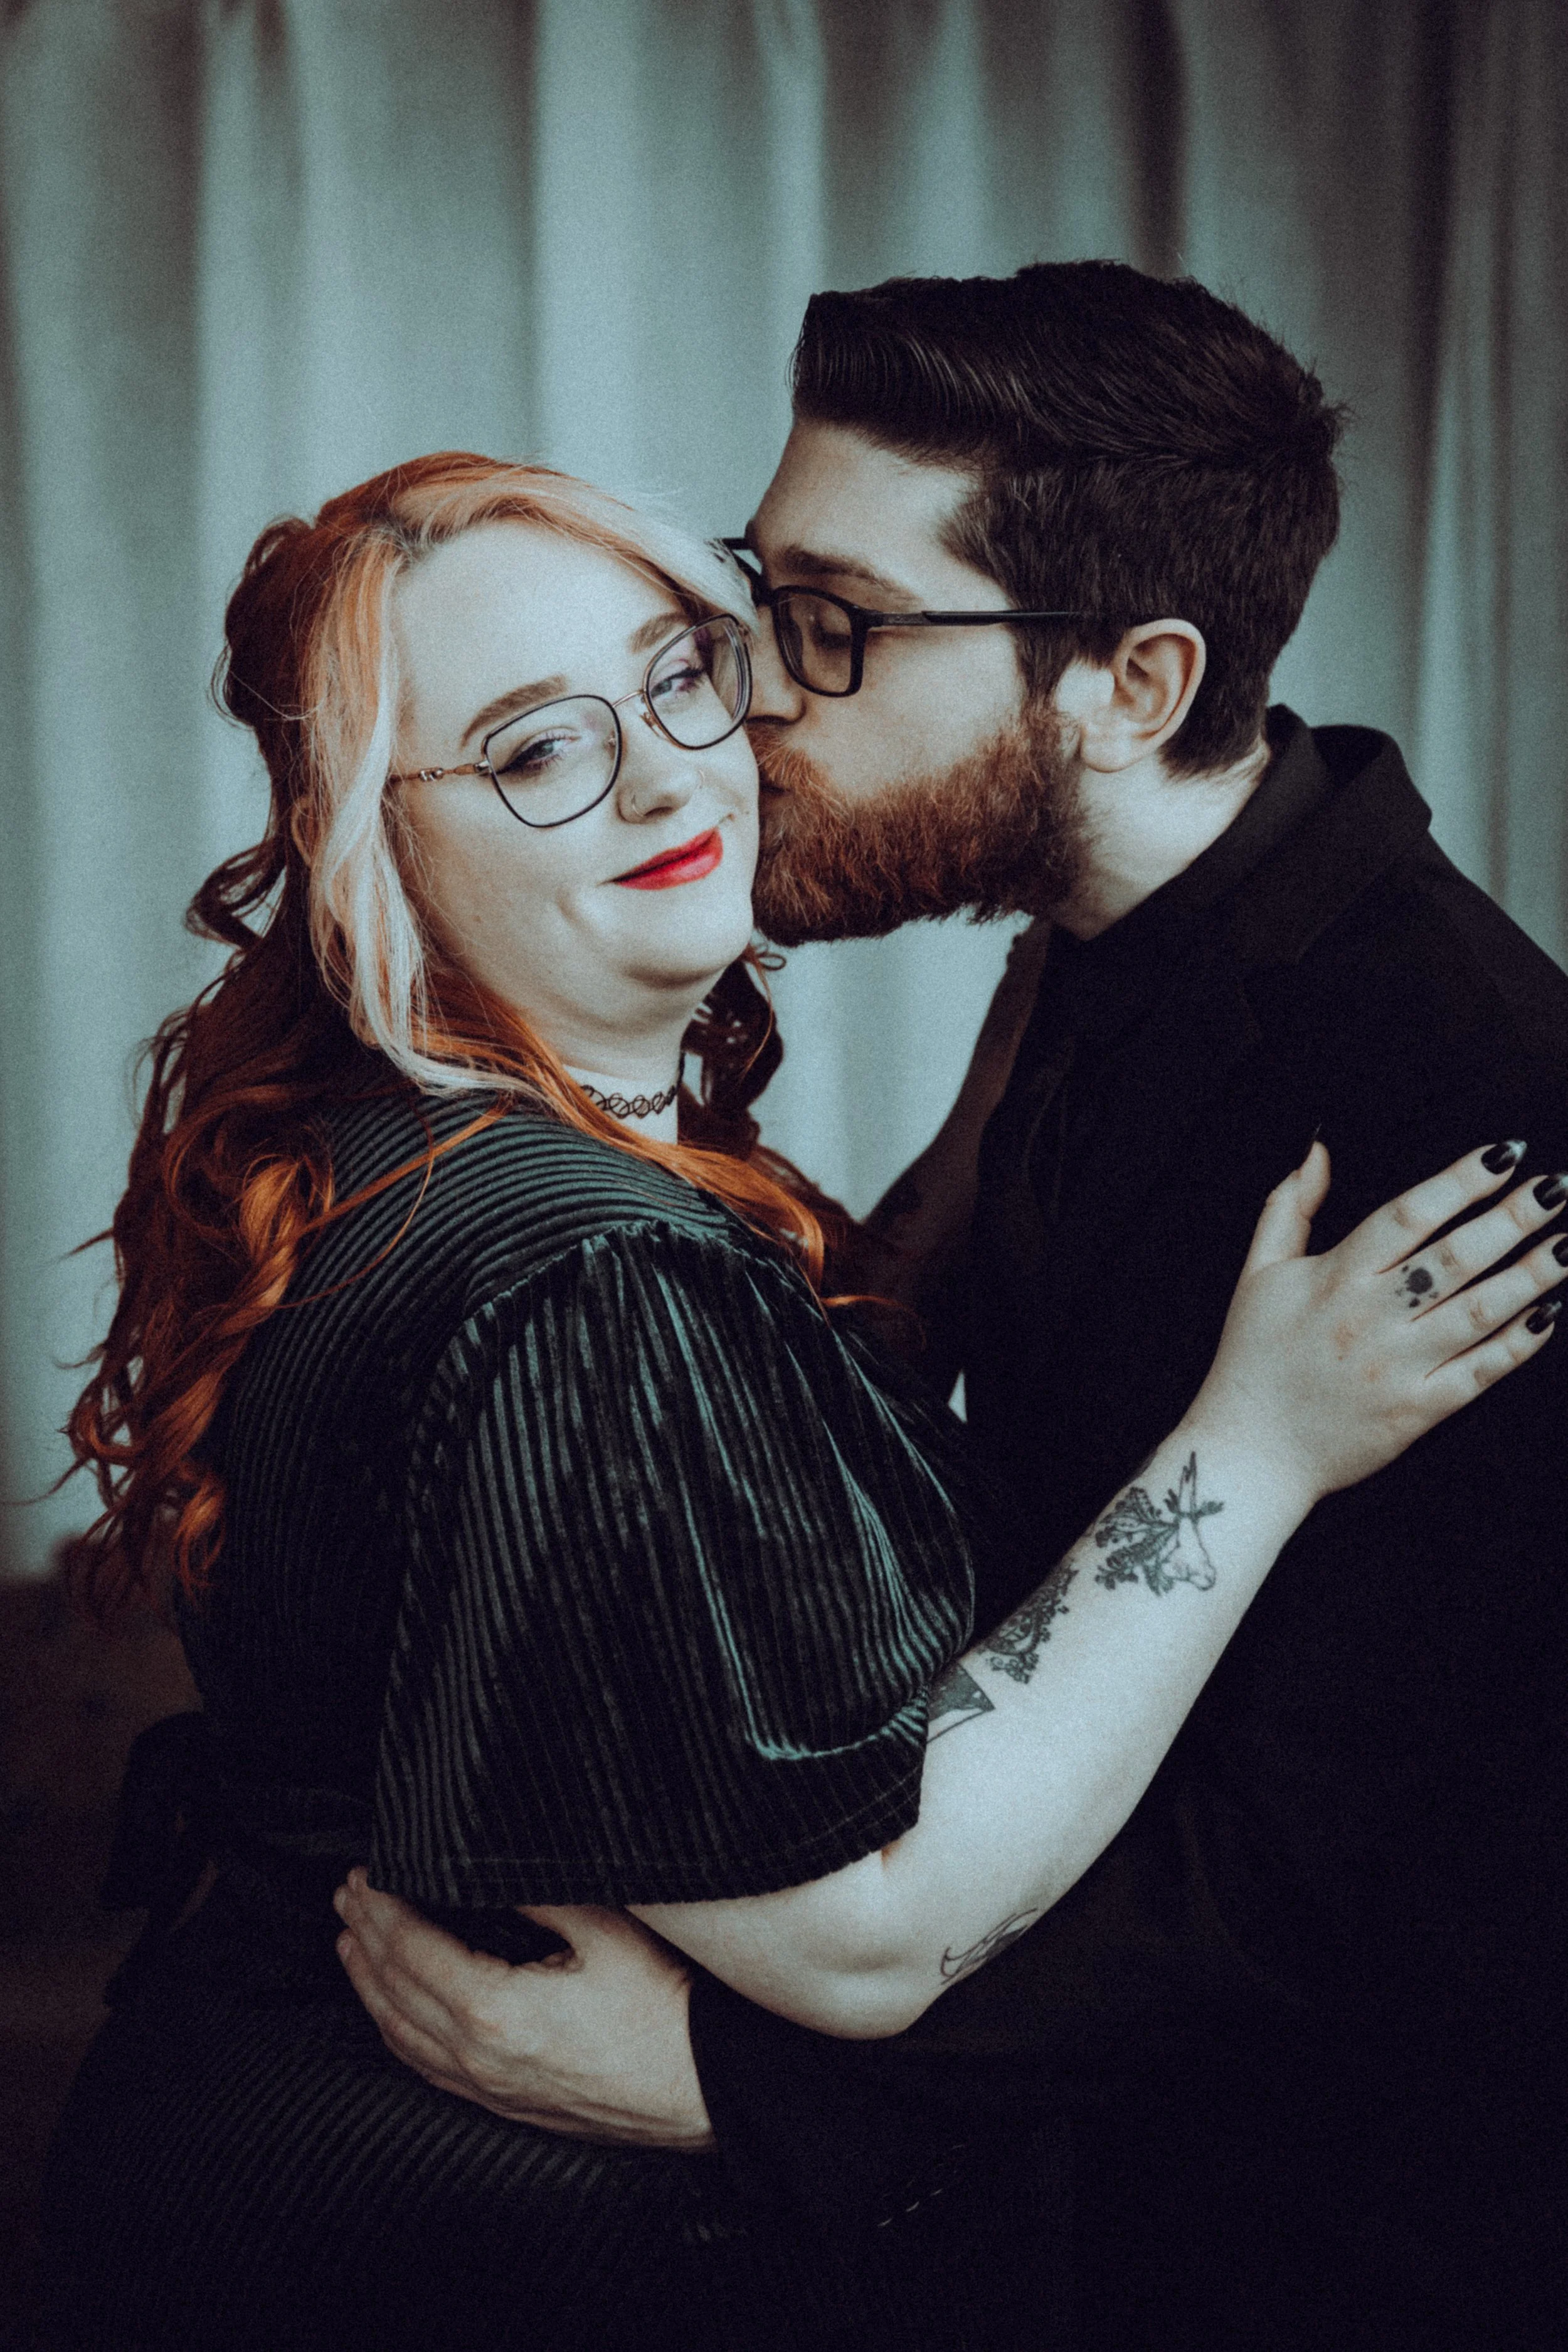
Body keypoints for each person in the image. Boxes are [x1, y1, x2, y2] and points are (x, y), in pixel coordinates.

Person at [333, 266, 1568, 2352]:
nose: (753, 693)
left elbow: (1361, 1871)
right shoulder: (1097, 940)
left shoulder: (1465, 1103)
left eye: (837, 621)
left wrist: (752, 2086)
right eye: (758, 587)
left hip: (1327, 2247)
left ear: (1130, 680)